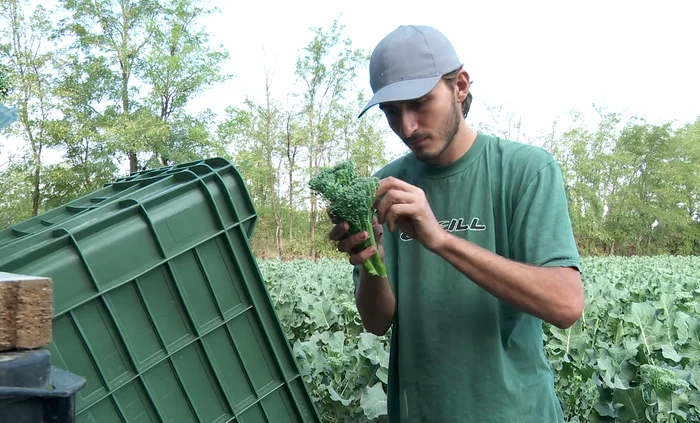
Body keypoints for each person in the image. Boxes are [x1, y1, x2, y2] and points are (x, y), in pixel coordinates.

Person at [328, 25, 584, 422]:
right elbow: (377, 323)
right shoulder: (386, 187)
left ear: (460, 86)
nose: (406, 126)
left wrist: (441, 240)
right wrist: (371, 259)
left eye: (418, 103)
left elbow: (566, 303)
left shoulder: (526, 170)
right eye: (390, 112)